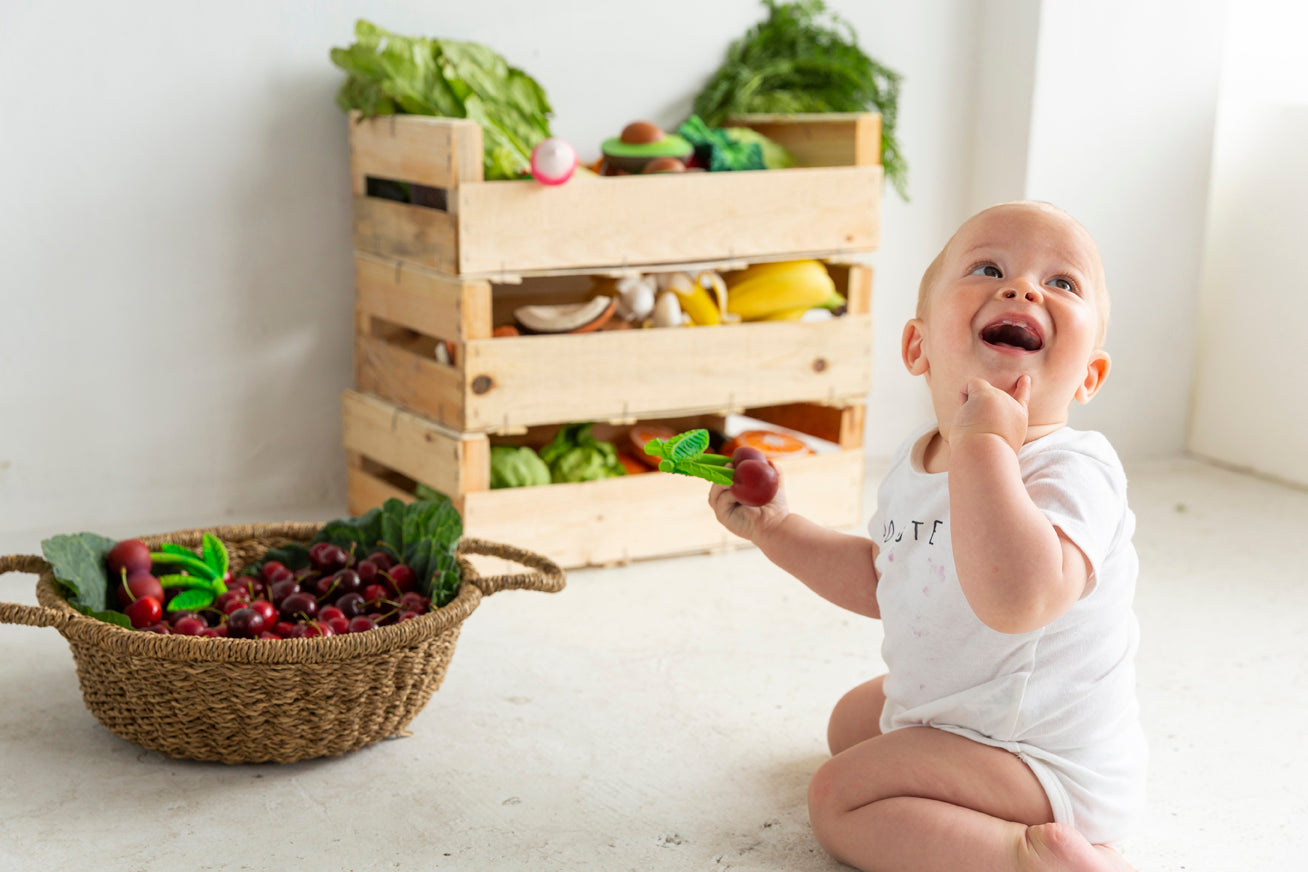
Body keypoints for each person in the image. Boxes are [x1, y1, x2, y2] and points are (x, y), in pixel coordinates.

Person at [709, 201, 1146, 871]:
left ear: (1088, 376)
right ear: (918, 347)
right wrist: (776, 529)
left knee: (839, 797)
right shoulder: (921, 460)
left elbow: (1019, 600)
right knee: (849, 725)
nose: (1023, 287)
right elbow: (890, 580)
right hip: (978, 716)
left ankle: (1028, 855)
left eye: (1062, 283)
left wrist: (986, 445)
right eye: (990, 268)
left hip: (1043, 758)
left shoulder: (1076, 468)